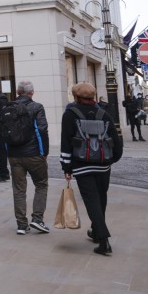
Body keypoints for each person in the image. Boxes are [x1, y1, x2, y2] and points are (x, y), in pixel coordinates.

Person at [60, 82, 123, 256]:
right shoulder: (104, 114)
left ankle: (103, 240)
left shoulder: (70, 115)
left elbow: (66, 142)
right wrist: (111, 159)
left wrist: (66, 167)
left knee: (91, 201)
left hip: (82, 165)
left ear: (76, 97)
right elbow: (116, 141)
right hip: (103, 165)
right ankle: (96, 231)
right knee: (101, 199)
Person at [7, 81, 51, 235]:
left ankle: (21, 224)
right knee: (41, 184)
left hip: (14, 154)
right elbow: (42, 130)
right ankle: (37, 219)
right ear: (32, 92)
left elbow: (4, 132)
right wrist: (44, 152)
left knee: (19, 189)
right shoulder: (36, 107)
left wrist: (9, 151)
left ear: (17, 92)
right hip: (34, 154)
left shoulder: (9, 107)